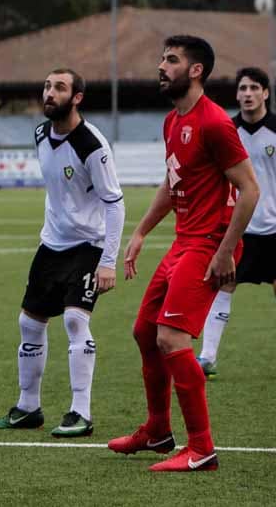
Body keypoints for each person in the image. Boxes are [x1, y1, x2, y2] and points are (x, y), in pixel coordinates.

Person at [109, 35, 259, 472]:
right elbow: (171, 181)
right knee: (144, 331)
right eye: (162, 58)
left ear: (196, 71)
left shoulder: (214, 123)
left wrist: (226, 251)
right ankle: (158, 431)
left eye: (171, 60)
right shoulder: (173, 121)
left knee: (171, 338)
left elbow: (250, 189)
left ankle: (202, 448)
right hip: (183, 241)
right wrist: (139, 232)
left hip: (209, 242)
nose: (161, 66)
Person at [0, 69, 124, 438]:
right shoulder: (40, 134)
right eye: (47, 86)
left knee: (75, 321)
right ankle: (28, 407)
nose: (49, 93)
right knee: (29, 323)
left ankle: (81, 412)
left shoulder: (92, 145)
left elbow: (115, 204)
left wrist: (108, 261)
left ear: (76, 97)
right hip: (52, 245)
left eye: (59, 87)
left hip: (89, 247)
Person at [197, 67, 276, 378]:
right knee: (223, 285)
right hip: (239, 227)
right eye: (242, 88)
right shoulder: (226, 131)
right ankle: (207, 357)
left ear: (265, 93)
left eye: (254, 88)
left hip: (275, 229)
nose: (247, 94)